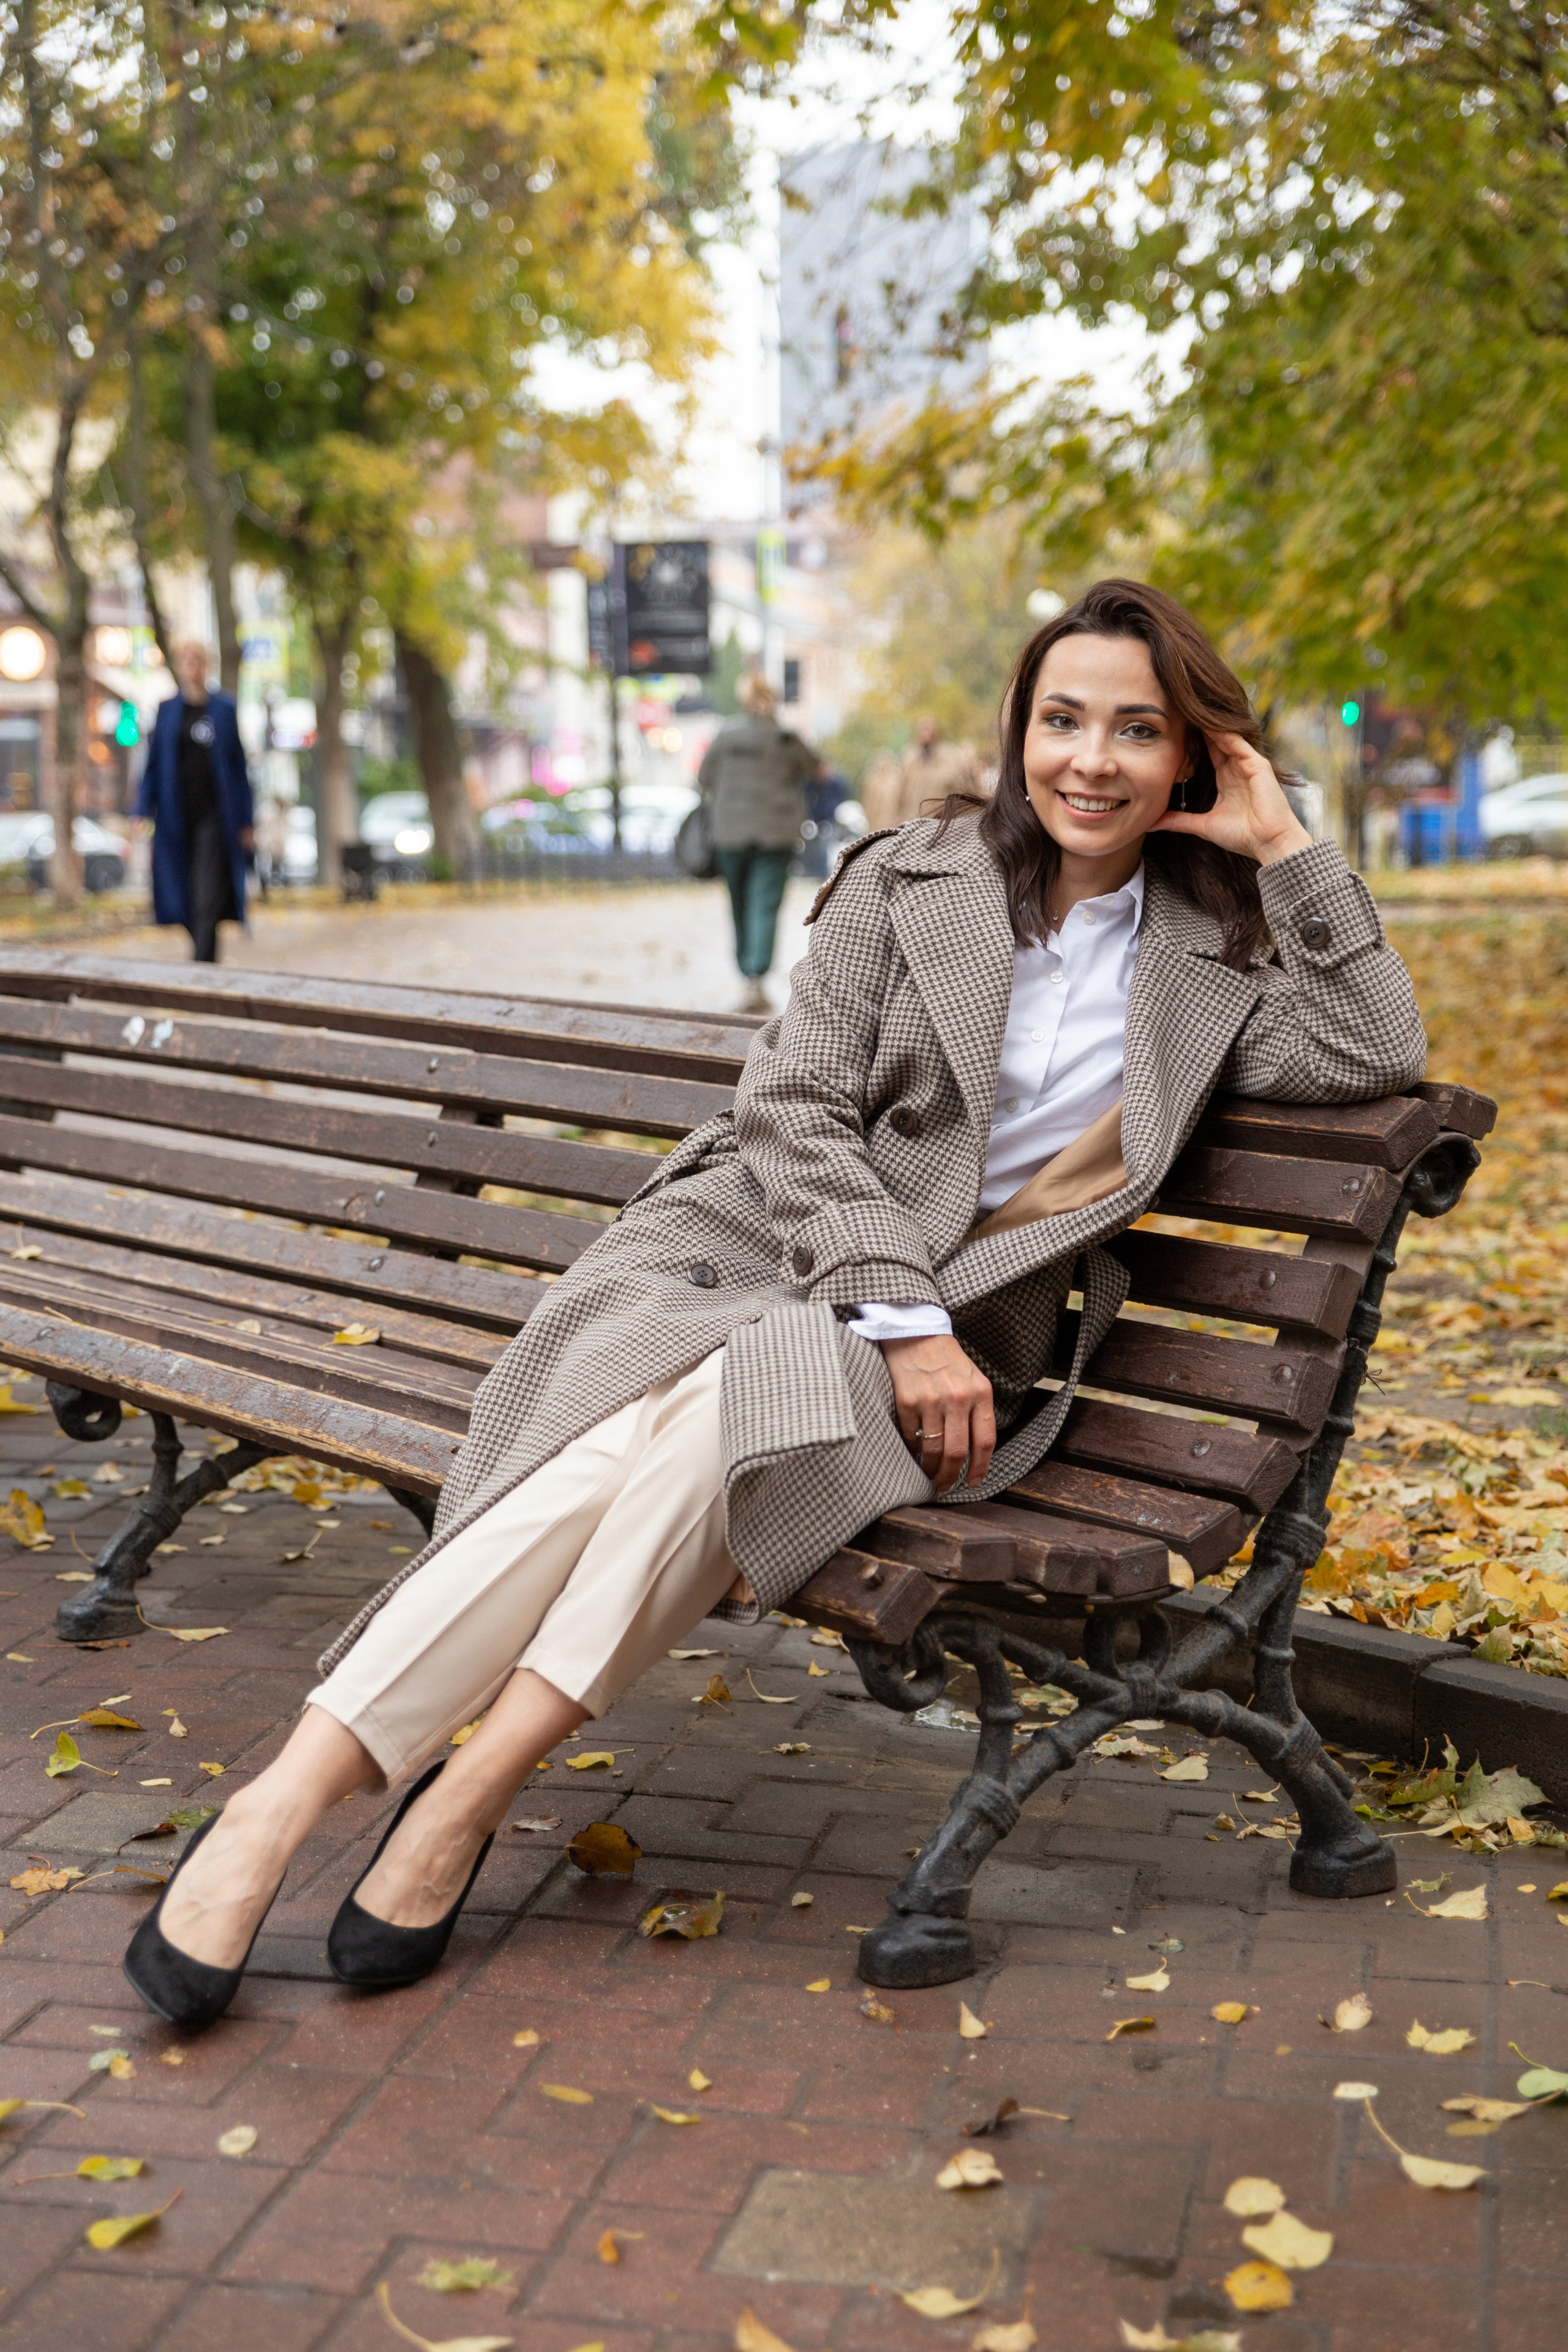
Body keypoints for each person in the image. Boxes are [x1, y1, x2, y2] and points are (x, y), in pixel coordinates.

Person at [122, 578, 1426, 2032]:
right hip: (755, 1252)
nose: (1090, 760)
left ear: (1188, 754)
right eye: (1061, 719)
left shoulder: (1212, 962)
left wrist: (1283, 843)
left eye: (1135, 729)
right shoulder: (908, 878)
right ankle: (320, 1803)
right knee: (679, 1418)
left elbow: (1375, 1047)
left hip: (957, 1331)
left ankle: (436, 1789)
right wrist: (899, 1317)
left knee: (724, 1412)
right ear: (1016, 727)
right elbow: (793, 1105)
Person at [696, 671, 815, 1011]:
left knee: (739, 903)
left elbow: (704, 777)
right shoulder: (786, 738)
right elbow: (815, 768)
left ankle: (745, 970)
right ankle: (756, 977)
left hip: (729, 833)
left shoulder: (726, 735)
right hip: (776, 833)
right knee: (765, 904)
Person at [137, 641, 254, 962]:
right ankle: (206, 957)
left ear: (207, 666)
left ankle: (201, 962)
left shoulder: (224, 709)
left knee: (208, 890)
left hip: (215, 817)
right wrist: (141, 809)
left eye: (198, 661)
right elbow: (153, 764)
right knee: (181, 891)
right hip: (175, 817)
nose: (192, 668)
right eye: (186, 661)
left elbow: (238, 767)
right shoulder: (167, 710)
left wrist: (246, 821)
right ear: (179, 667)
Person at [862, 715, 980, 831]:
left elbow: (961, 793)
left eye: (929, 730)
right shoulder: (908, 758)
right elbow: (899, 797)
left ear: (937, 733)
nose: (925, 735)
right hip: (913, 824)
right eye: (922, 730)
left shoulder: (950, 758)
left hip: (941, 824)